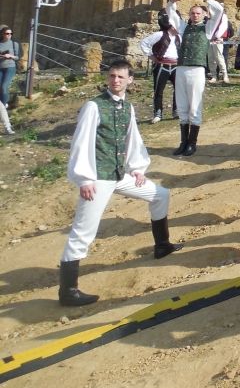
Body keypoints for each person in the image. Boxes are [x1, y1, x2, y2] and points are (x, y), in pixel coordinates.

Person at [57, 60, 182, 306]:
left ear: (130, 80)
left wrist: (137, 169)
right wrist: (84, 178)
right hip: (98, 178)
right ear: (107, 78)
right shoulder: (94, 106)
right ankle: (68, 291)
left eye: (120, 77)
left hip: (118, 175)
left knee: (160, 195)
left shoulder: (128, 107)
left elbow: (132, 137)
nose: (115, 81)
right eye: (112, 76)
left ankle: (162, 245)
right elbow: (81, 143)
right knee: (83, 232)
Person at [166, 0, 224, 157]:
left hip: (197, 70)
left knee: (194, 107)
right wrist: (172, 2)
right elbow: (172, 15)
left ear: (204, 14)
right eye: (192, 13)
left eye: (198, 13)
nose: (195, 15)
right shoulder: (184, 28)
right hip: (182, 68)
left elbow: (219, 11)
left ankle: (192, 143)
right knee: (182, 105)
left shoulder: (207, 28)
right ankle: (183, 142)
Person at [138, 13, 179, 124]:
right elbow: (144, 43)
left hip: (176, 65)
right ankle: (158, 113)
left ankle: (176, 111)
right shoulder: (160, 34)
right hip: (162, 65)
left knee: (178, 89)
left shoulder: (179, 36)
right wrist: (152, 56)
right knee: (158, 90)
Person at [206, 5, 231, 84]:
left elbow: (223, 27)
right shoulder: (211, 18)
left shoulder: (223, 16)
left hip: (218, 40)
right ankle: (214, 76)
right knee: (211, 58)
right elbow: (208, 28)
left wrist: (217, 36)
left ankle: (225, 75)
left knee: (219, 57)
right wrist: (209, 36)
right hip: (210, 40)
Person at [0, 24, 21, 108]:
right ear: (2, 34)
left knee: (4, 86)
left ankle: (4, 105)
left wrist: (10, 56)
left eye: (10, 34)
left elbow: (17, 57)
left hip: (10, 67)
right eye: (7, 34)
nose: (9, 35)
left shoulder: (14, 44)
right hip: (0, 67)